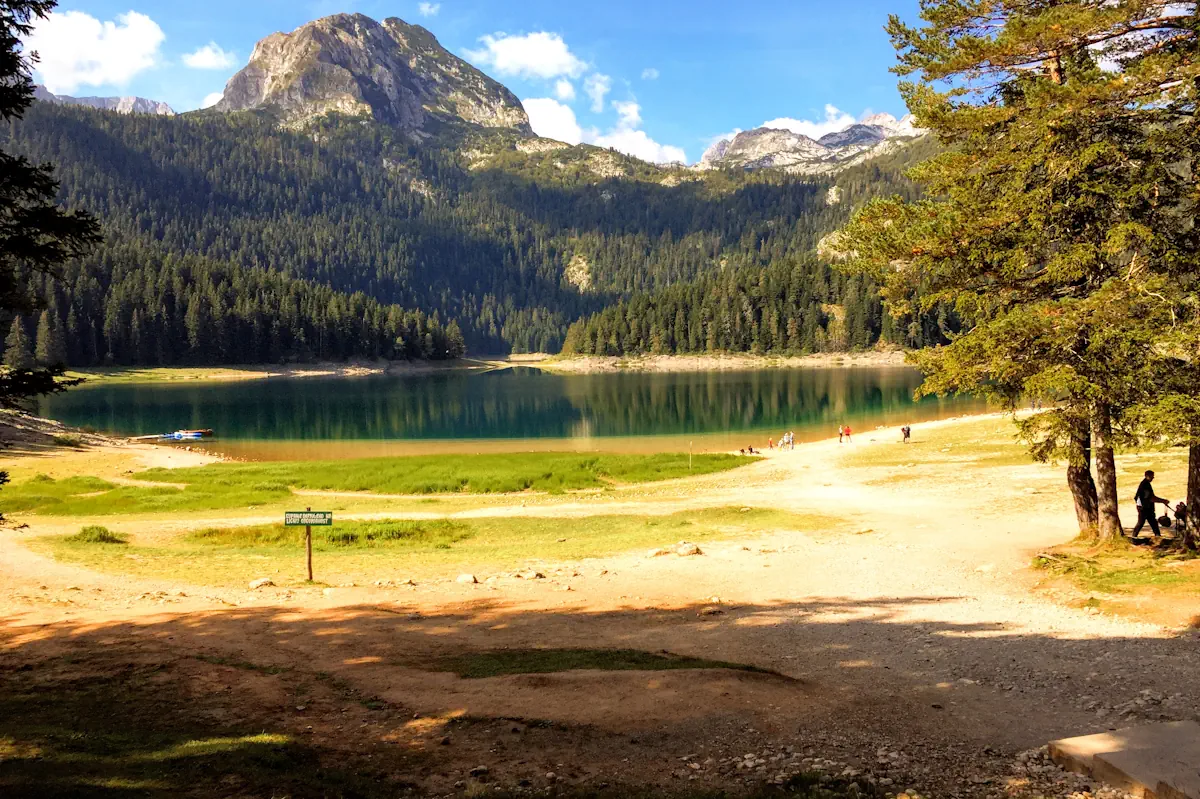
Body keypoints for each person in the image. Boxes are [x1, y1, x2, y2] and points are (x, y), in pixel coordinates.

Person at [1131, 470, 1171, 538]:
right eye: (1152, 476)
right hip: (1144, 507)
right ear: (1147, 476)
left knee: (1153, 522)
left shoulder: (1146, 484)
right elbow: (1151, 498)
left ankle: (1157, 535)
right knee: (1141, 522)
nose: (1153, 478)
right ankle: (1134, 536)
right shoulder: (1145, 485)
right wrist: (1163, 501)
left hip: (1146, 507)